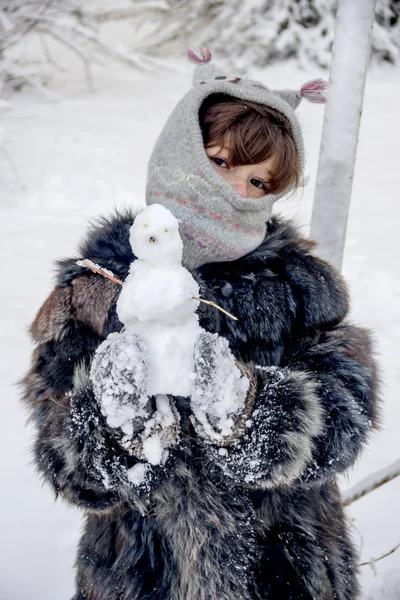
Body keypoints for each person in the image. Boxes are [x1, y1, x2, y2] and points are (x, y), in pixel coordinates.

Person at [21, 48, 379, 600]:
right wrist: (112, 427)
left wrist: (254, 413)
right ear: (180, 152)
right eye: (221, 161)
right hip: (142, 579)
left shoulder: (298, 284)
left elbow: (346, 416)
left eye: (261, 183)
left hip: (284, 576)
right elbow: (64, 461)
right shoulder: (93, 291)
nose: (238, 191)